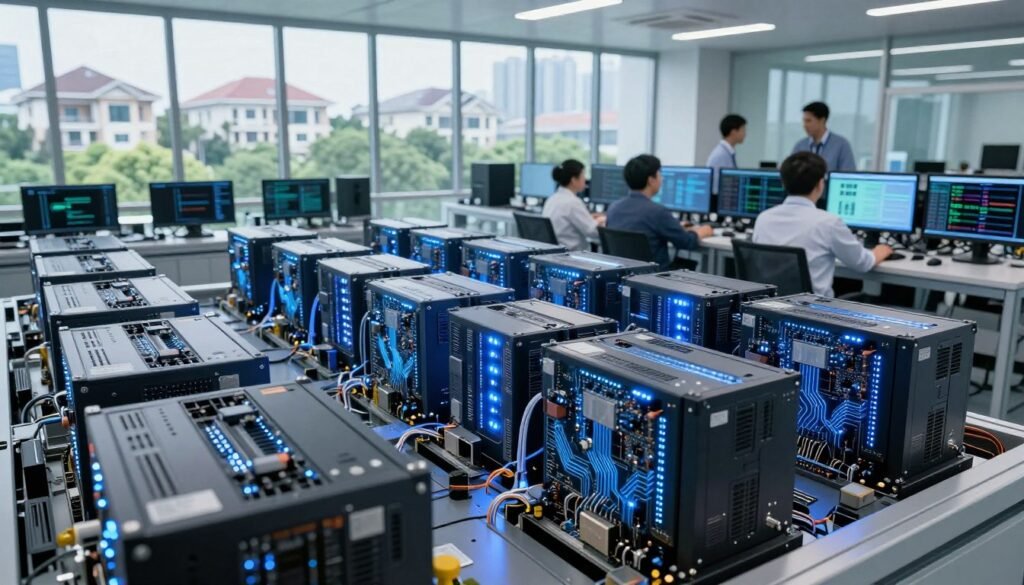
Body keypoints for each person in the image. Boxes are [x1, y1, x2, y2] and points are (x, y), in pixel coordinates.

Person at [753, 152, 892, 297]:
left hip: (769, 307)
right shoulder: (828, 223)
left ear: (783, 183)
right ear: (820, 184)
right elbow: (862, 263)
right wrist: (878, 253)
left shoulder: (763, 218)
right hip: (812, 312)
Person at [605, 154, 713, 269]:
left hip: (623, 278)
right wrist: (701, 231)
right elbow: (687, 242)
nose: (662, 178)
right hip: (655, 279)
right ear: (651, 180)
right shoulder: (657, 212)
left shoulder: (613, 208)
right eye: (659, 174)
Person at [542, 159, 603, 251]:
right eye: (583, 176)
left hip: (556, 255)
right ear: (573, 180)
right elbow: (593, 232)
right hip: (573, 256)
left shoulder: (552, 199)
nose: (585, 180)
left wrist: (588, 217)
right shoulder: (572, 202)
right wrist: (602, 220)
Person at [791, 102, 856, 172]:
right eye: (804, 121)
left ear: (822, 120)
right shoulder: (800, 146)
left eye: (808, 121)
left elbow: (847, 174)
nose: (805, 125)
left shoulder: (841, 145)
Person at [706, 114, 746, 192]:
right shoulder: (720, 155)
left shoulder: (727, 152)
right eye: (743, 130)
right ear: (733, 132)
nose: (745, 134)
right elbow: (715, 188)